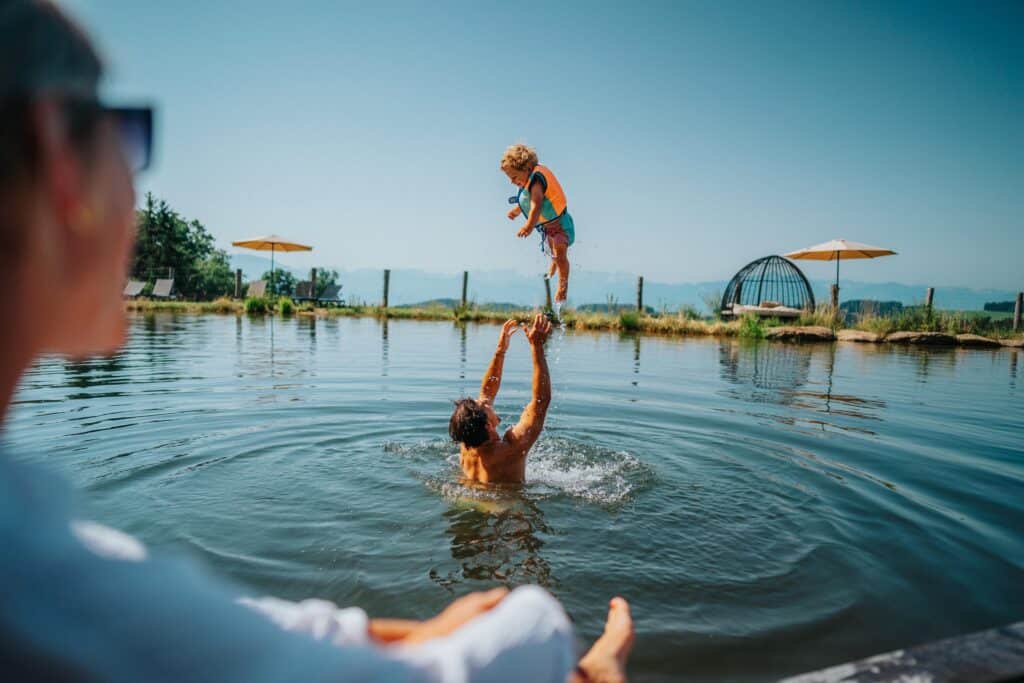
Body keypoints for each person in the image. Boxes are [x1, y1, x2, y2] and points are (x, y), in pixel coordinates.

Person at [0, 1, 633, 681]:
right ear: (60, 155)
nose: (137, 179)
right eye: (129, 136)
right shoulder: (38, 581)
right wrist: (580, 655)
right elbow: (535, 422)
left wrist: (404, 633)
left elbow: (240, 639)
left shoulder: (32, 561)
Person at [449, 314, 553, 484]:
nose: (482, 399)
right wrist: (537, 347)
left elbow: (486, 392)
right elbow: (541, 401)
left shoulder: (467, 441)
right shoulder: (511, 449)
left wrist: (500, 350)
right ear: (488, 425)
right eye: (482, 405)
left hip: (469, 497)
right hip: (505, 509)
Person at [502, 143, 575, 304]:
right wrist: (517, 210)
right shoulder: (528, 181)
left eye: (514, 177)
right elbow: (526, 201)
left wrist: (528, 226)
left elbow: (536, 204)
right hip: (547, 228)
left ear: (527, 168)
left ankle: (563, 287)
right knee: (552, 254)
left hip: (561, 226)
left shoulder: (536, 181)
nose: (512, 182)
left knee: (561, 256)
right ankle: (553, 264)